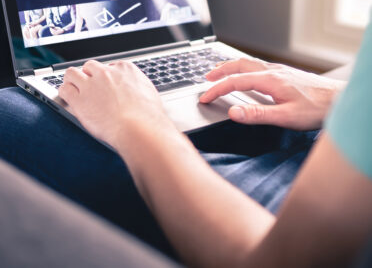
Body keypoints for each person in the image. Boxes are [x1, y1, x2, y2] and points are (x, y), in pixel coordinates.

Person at [0, 18, 371, 266]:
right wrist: (343, 97)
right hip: (336, 157)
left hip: (289, 218)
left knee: (8, 106)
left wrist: (136, 120)